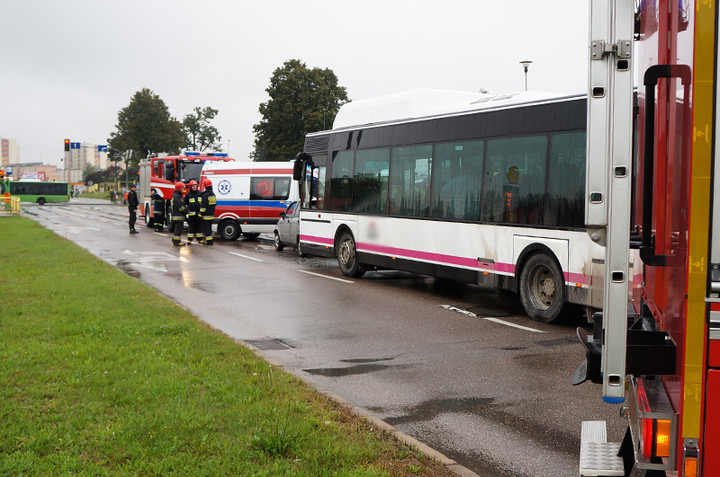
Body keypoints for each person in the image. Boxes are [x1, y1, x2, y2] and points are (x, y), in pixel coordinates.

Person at [198, 178, 216, 245]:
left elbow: (204, 206)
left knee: (207, 230)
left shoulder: (205, 195)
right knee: (209, 229)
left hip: (206, 216)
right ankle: (210, 241)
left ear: (205, 185)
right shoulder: (213, 194)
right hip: (211, 215)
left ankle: (209, 242)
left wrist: (200, 214)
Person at [184, 180, 201, 244]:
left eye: (195, 186)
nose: (194, 187)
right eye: (193, 186)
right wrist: (187, 211)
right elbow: (185, 204)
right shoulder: (188, 195)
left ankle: (200, 239)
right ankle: (189, 240)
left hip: (198, 214)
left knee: (199, 227)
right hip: (191, 214)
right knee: (191, 227)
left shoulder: (200, 193)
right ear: (190, 187)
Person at [170, 182, 187, 246]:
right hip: (178, 216)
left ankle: (175, 240)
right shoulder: (177, 196)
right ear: (179, 188)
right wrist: (186, 211)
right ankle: (177, 241)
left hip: (177, 216)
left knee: (178, 229)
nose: (183, 189)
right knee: (178, 229)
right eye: (182, 188)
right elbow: (180, 207)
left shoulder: (177, 195)